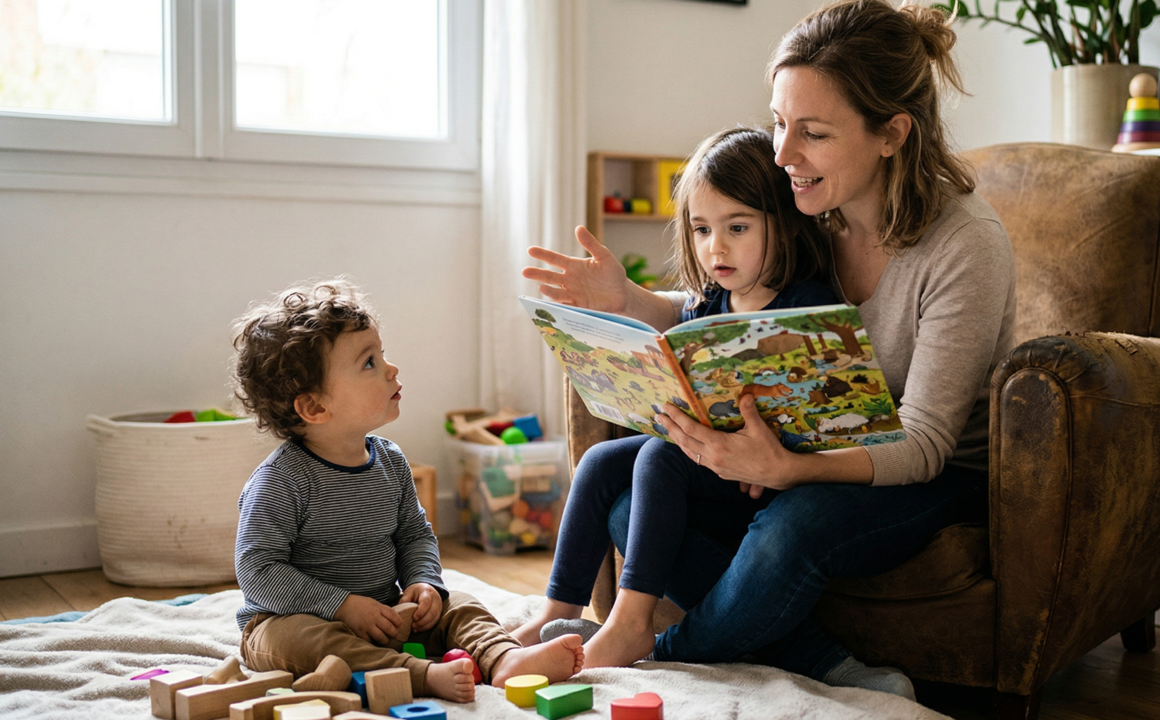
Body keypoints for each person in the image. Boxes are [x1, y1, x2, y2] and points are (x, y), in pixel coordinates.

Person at [520, 0, 1016, 701]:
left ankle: (653, 651)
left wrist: (788, 468)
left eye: (811, 132)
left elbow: (927, 442)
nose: (782, 155)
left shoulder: (964, 246)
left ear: (891, 134)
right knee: (633, 496)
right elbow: (720, 316)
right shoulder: (810, 207)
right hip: (784, 443)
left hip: (917, 475)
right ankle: (819, 660)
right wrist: (628, 300)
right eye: (780, 123)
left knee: (791, 529)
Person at [511, 127, 842, 667]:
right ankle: (557, 609)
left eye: (738, 227)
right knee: (600, 461)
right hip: (709, 466)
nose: (717, 247)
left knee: (661, 455)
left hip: (764, 485)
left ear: (782, 223)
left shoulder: (807, 305)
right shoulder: (709, 303)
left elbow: (821, 412)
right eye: (702, 229)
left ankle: (630, 623)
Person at [231, 278, 584, 702]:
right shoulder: (282, 480)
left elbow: (414, 535)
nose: (391, 369)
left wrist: (423, 583)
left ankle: (502, 658)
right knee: (298, 641)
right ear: (315, 407)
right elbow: (258, 572)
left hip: (388, 615)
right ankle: (414, 675)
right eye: (369, 363)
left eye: (381, 355)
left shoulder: (391, 460)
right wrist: (342, 606)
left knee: (461, 602)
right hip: (293, 621)